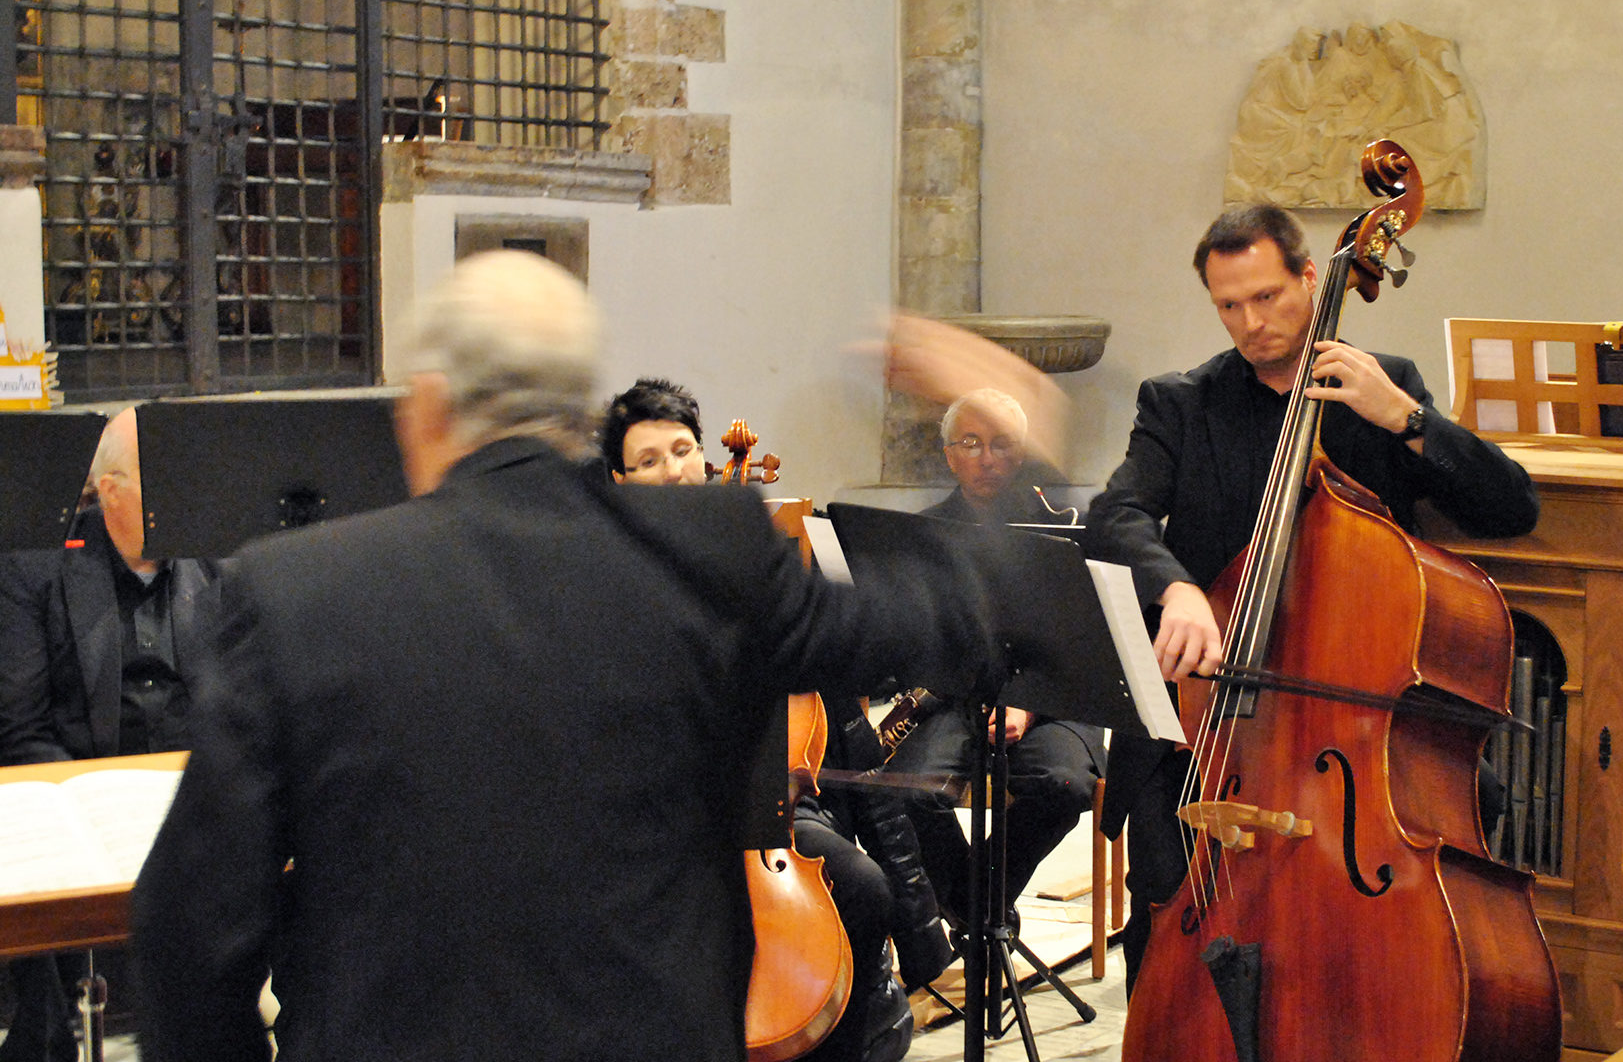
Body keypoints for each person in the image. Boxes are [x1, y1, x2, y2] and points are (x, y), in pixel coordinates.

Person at [130, 251, 993, 1062]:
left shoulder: (293, 592)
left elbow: (190, 934)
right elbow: (947, 622)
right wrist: (995, 410)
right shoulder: (714, 553)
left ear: (426, 407)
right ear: (583, 417)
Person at [1085, 202, 1540, 990]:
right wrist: (1181, 591)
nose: (1251, 322)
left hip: (1348, 729)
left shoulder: (1383, 388)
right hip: (1212, 724)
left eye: (1268, 296)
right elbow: (1116, 514)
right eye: (1230, 305)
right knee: (1166, 911)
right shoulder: (1181, 402)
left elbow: (1511, 510)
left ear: (1308, 278)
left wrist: (1405, 419)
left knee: (1472, 803)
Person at [597, 376, 950, 1062]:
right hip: (654, 817)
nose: (674, 471)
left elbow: (844, 726)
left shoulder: (754, 565)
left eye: (681, 450)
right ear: (618, 480)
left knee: (863, 887)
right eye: (649, 461)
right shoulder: (602, 576)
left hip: (768, 819)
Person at [0, 408, 221, 1062]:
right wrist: (89, 812)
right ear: (110, 491)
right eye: (164, 484)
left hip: (198, 794)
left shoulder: (219, 557)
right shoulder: (36, 567)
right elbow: (20, 726)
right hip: (84, 798)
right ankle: (47, 1036)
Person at [884, 389, 1105, 929]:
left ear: (1022, 451)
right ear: (948, 453)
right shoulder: (924, 533)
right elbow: (920, 638)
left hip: (1054, 699)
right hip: (957, 697)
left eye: (1002, 444)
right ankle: (982, 911)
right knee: (904, 794)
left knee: (1065, 786)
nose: (987, 458)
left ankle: (974, 905)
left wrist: (1026, 705)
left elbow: (1083, 641)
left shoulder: (1070, 529)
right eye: (971, 443)